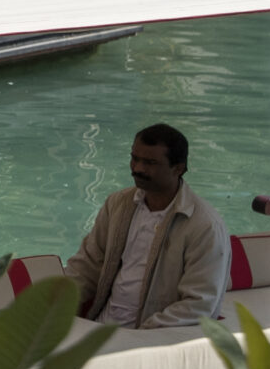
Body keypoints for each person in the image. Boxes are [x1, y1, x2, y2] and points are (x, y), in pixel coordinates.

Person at [66, 123, 230, 329]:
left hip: (152, 336)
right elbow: (87, 265)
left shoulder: (204, 225)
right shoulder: (117, 204)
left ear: (178, 169)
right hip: (101, 328)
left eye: (150, 163)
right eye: (135, 158)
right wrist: (53, 308)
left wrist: (142, 336)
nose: (138, 168)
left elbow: (198, 304)